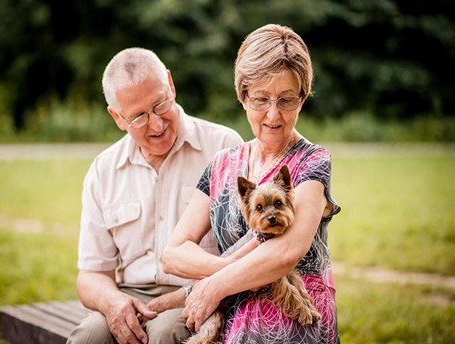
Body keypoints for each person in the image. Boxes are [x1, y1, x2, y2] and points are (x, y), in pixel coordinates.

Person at [162, 24, 341, 343]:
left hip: (293, 324)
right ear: (242, 97)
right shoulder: (221, 165)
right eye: (261, 99)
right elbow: (174, 253)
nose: (273, 115)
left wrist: (215, 285)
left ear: (302, 99)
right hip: (224, 323)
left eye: (286, 100)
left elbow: (285, 254)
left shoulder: (312, 163)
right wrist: (229, 266)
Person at [67, 48, 243, 344]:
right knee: (88, 337)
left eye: (161, 104)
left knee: (165, 333)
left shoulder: (223, 146)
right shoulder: (104, 170)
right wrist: (113, 303)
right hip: (131, 296)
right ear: (117, 117)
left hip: (200, 291)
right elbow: (90, 275)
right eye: (138, 117)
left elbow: (249, 248)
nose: (157, 124)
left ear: (171, 85)